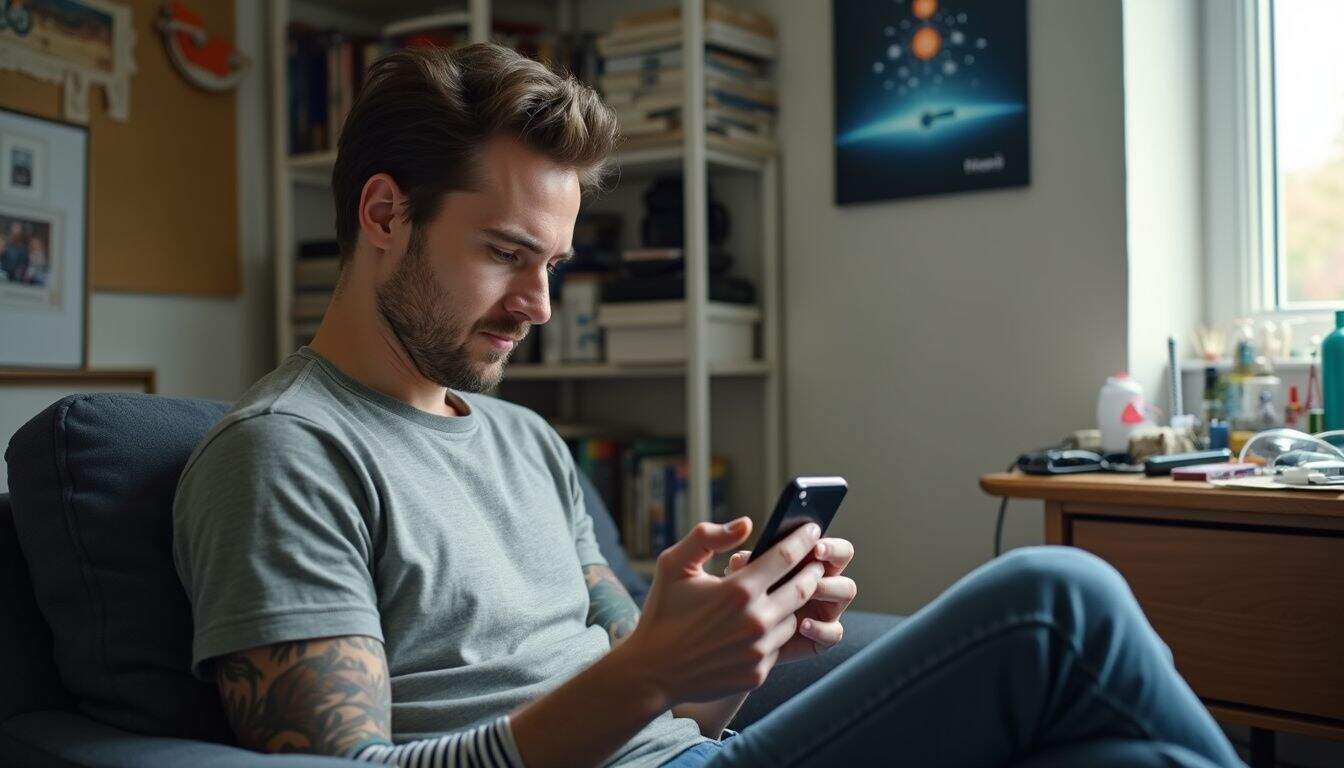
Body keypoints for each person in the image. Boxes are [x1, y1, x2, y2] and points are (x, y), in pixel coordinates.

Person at [172, 44, 1244, 768]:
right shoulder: (286, 456)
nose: (538, 306)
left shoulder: (522, 441)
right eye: (506, 255)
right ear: (383, 214)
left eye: (552, 263)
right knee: (1055, 597)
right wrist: (645, 667)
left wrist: (735, 652)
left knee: (1119, 754)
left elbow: (674, 718)